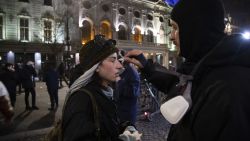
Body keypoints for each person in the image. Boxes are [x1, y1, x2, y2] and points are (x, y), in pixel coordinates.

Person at [124, 0, 250, 141]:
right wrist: (147, 67)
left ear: (195, 30)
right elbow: (179, 83)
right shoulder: (205, 66)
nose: (171, 36)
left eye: (176, 28)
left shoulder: (230, 89)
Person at [62, 35, 141, 141]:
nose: (120, 66)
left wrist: (125, 127)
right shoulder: (82, 99)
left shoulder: (104, 93)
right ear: (97, 66)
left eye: (118, 60)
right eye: (112, 60)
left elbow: (106, 127)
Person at [115, 50, 140, 125]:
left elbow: (133, 92)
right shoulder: (123, 71)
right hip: (121, 111)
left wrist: (119, 82)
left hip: (127, 113)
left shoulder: (131, 71)